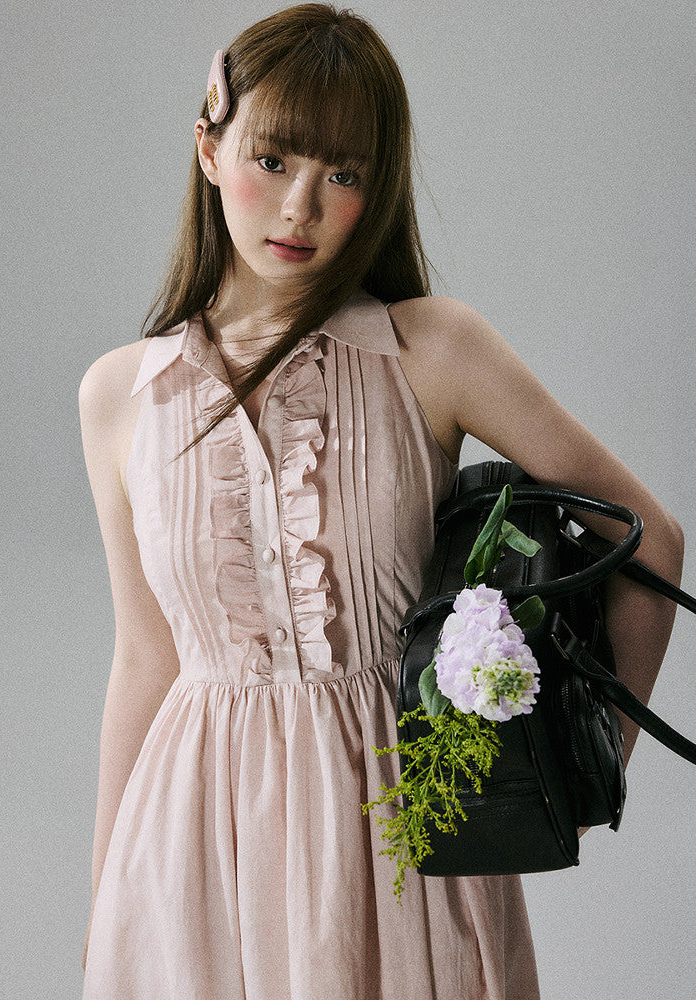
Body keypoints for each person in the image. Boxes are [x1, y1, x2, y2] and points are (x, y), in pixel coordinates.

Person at [78, 4, 683, 998]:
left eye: (343, 174)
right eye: (272, 159)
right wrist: (107, 903)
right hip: (187, 854)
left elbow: (648, 538)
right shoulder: (119, 396)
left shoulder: (430, 350)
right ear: (209, 149)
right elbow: (147, 658)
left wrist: (579, 775)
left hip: (403, 838)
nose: (300, 207)